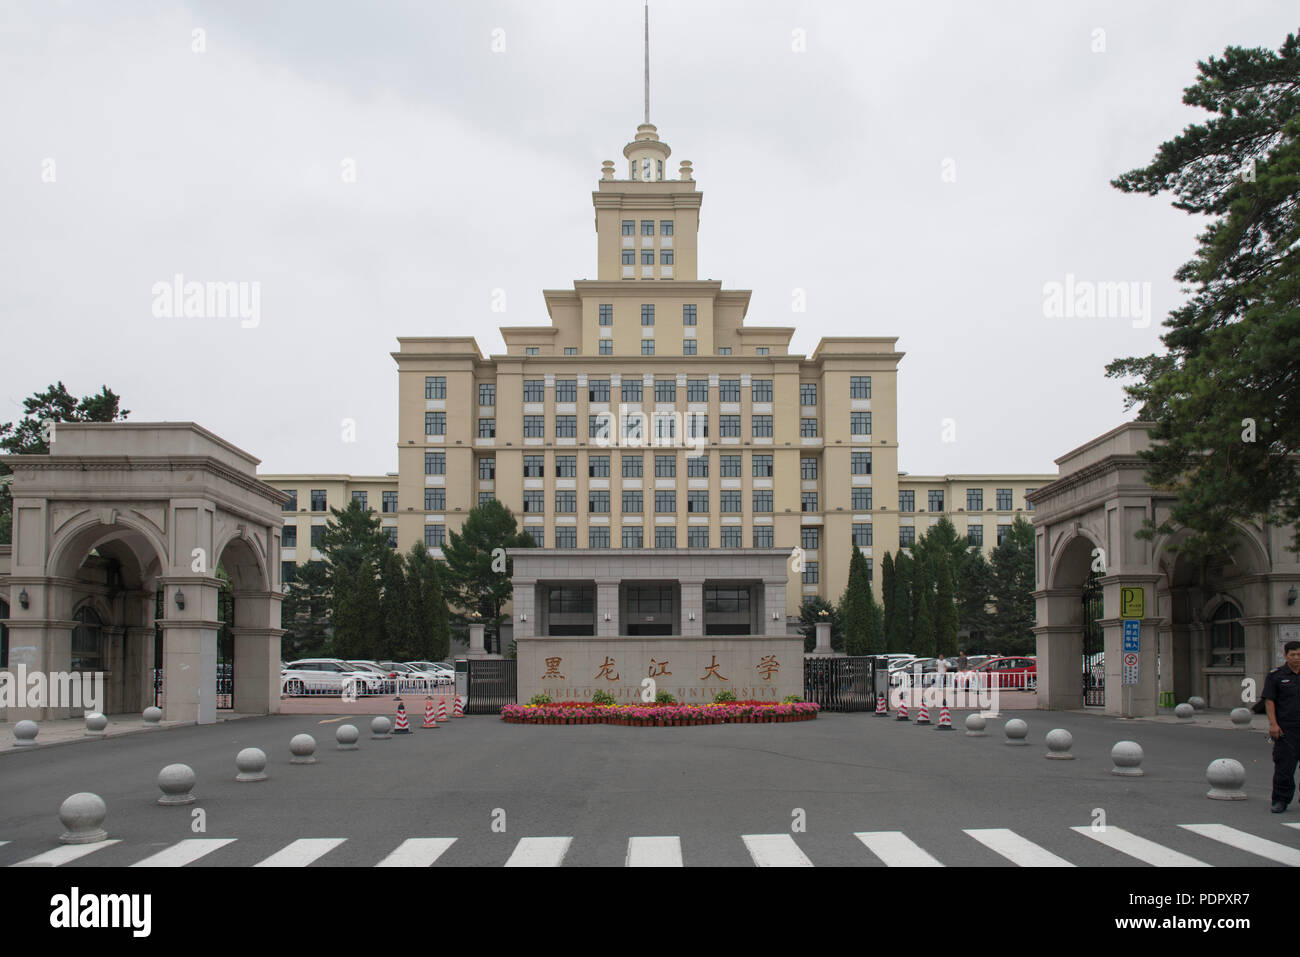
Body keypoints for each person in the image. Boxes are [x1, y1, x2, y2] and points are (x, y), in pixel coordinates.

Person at [1264, 640, 1300, 813]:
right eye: (1293, 655)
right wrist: (1273, 724)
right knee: (1284, 767)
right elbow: (1270, 701)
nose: (1296, 658)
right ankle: (1280, 799)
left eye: (1299, 655)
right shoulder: (1276, 675)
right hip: (1286, 729)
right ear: (1285, 656)